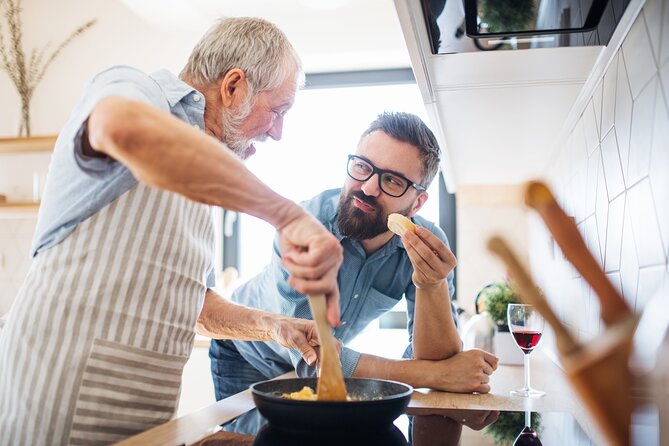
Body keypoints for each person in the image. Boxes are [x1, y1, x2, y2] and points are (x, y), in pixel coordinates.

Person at [0, 17, 344, 445]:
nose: (278, 132)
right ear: (233, 86)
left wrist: (273, 327)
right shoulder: (138, 90)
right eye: (278, 111)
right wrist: (287, 216)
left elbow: (194, 304)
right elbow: (121, 126)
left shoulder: (205, 176)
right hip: (56, 396)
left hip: (148, 416)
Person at [210, 112, 499, 400]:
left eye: (393, 181)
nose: (368, 187)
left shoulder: (427, 247)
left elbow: (441, 360)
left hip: (330, 370)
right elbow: (312, 357)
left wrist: (431, 285)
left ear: (417, 203)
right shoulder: (303, 228)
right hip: (246, 352)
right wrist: (434, 375)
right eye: (362, 167)